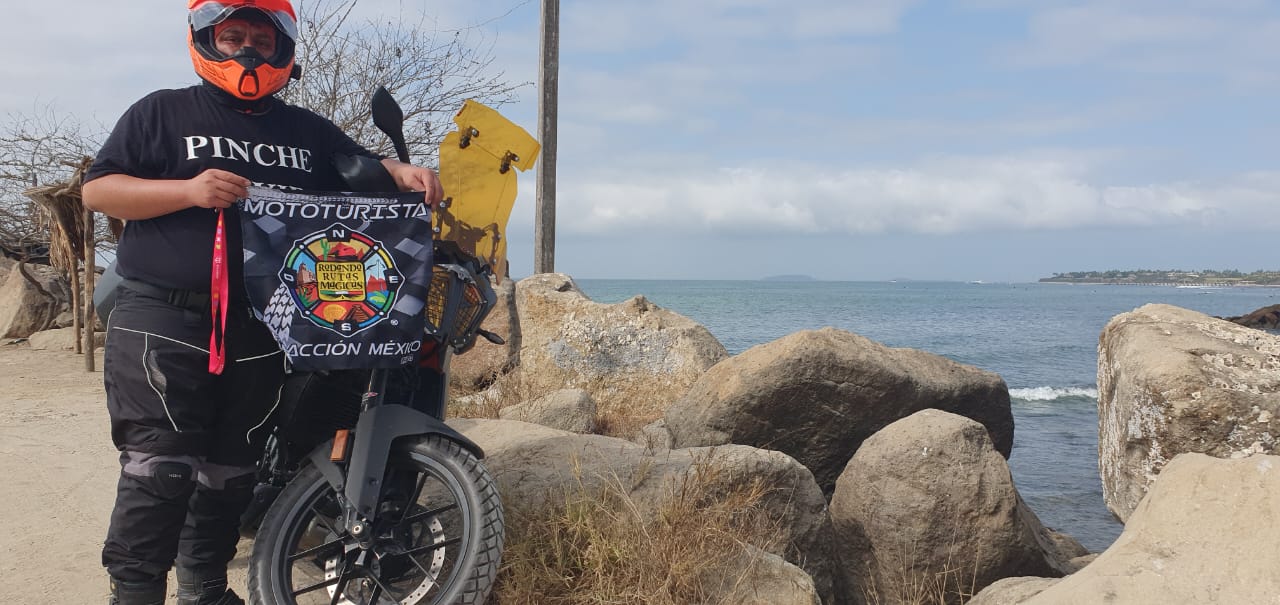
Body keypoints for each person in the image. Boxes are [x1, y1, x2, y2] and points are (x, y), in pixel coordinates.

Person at [82, 1, 442, 603]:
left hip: (262, 326)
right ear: (207, 40)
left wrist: (403, 171)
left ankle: (205, 589)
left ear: (281, 49)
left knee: (229, 473)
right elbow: (99, 190)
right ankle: (134, 593)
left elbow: (358, 166)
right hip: (164, 318)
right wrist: (188, 191)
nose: (247, 48)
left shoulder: (304, 129)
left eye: (259, 37)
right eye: (232, 36)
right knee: (160, 469)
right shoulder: (163, 111)